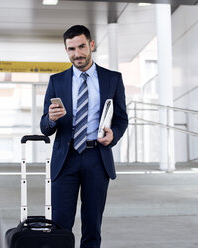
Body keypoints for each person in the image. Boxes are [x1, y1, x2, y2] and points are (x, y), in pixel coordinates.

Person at [40, 25, 128, 248]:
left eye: (81, 47)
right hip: (65, 158)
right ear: (66, 50)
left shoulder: (113, 79)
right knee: (60, 225)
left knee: (92, 226)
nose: (76, 54)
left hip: (97, 157)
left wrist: (113, 135)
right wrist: (51, 119)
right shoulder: (56, 81)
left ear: (91, 45)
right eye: (71, 49)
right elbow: (45, 127)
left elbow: (121, 119)